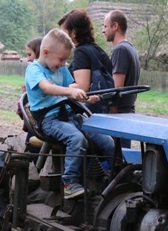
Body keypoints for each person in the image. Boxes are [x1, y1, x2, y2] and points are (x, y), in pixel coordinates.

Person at [25, 28, 114, 199]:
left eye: (66, 60)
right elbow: (47, 88)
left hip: (70, 115)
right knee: (76, 138)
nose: (64, 63)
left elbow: (72, 87)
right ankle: (69, 183)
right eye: (62, 59)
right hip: (49, 120)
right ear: (45, 52)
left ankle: (115, 176)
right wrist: (69, 92)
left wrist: (85, 97)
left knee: (107, 140)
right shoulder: (34, 69)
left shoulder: (61, 69)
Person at [58, 9, 113, 114]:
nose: (61, 38)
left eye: (64, 33)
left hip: (90, 111)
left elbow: (82, 86)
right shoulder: (96, 49)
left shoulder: (81, 52)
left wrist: (56, 88)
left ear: (73, 33)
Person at [102, 10, 141, 115]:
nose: (103, 30)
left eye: (105, 26)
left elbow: (117, 87)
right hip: (128, 110)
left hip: (120, 112)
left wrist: (113, 110)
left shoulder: (120, 50)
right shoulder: (130, 48)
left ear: (115, 26)